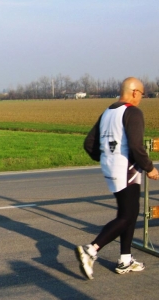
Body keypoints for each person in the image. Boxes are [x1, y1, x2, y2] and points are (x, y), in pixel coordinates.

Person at [75, 77, 159, 280]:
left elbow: (89, 143)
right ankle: (91, 250)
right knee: (127, 216)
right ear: (133, 92)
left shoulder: (107, 112)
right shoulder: (133, 112)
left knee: (127, 212)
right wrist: (149, 168)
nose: (141, 98)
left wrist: (106, 158)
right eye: (142, 94)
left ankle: (125, 260)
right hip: (127, 169)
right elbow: (136, 147)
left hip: (111, 168)